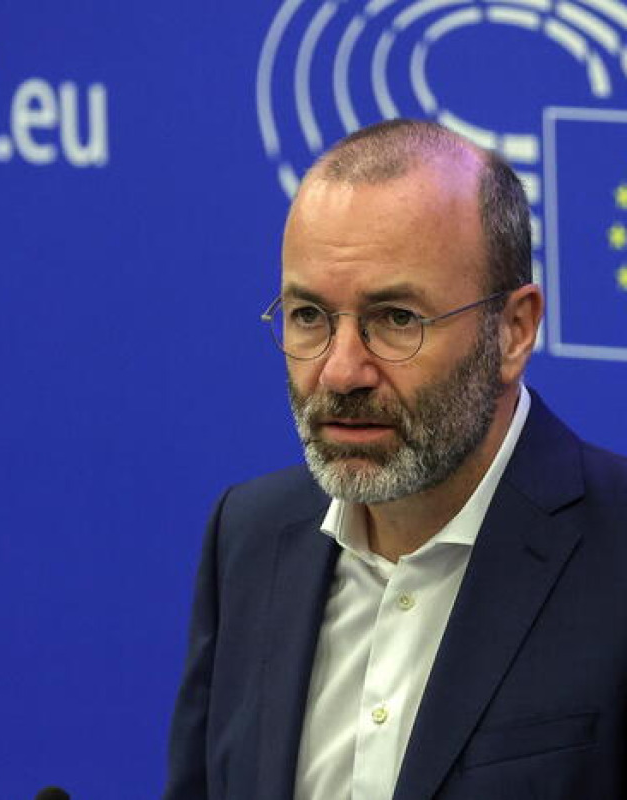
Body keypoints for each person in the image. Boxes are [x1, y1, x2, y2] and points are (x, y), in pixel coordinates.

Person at [162, 119, 627, 800]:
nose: (341, 371)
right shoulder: (249, 537)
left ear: (514, 330)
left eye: (397, 318)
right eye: (309, 316)